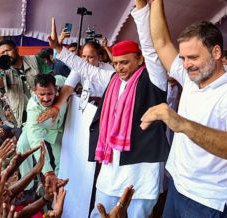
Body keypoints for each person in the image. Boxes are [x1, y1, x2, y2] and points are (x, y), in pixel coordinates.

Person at [48, 0, 170, 215]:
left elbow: (151, 48)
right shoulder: (113, 79)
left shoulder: (154, 79)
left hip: (141, 171)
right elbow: (85, 68)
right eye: (116, 63)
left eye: (125, 62)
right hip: (111, 169)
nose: (119, 68)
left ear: (140, 60)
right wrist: (60, 50)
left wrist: (141, 9)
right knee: (99, 213)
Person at [144, 0, 227, 217]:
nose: (186, 64)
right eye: (183, 58)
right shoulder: (192, 77)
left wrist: (184, 125)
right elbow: (160, 42)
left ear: (216, 53)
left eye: (193, 57)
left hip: (209, 202)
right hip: (178, 188)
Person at [0, 39, 52, 127]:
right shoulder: (4, 71)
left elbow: (51, 79)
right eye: (2, 53)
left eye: (8, 50)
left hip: (44, 110)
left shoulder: (35, 60)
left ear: (16, 49)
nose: (5, 54)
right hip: (22, 118)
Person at [17, 74, 68, 195]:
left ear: (56, 89)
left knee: (63, 159)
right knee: (22, 147)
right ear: (34, 91)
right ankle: (27, 187)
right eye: (41, 94)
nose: (46, 98)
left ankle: (59, 188)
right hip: (36, 128)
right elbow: (36, 141)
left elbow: (72, 82)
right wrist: (47, 171)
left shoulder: (61, 81)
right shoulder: (32, 109)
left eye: (49, 94)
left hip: (57, 130)